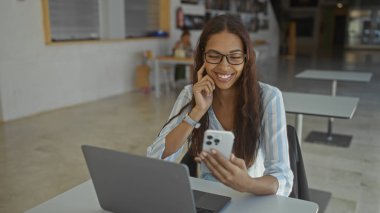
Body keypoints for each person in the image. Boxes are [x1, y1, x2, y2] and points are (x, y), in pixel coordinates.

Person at [147, 14, 293, 196]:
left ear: (246, 58)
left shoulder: (269, 98)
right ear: (203, 56)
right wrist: (197, 111)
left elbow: (283, 178)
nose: (224, 67)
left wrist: (248, 184)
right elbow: (156, 159)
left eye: (234, 57)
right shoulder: (190, 94)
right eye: (214, 56)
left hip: (252, 198)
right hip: (208, 197)